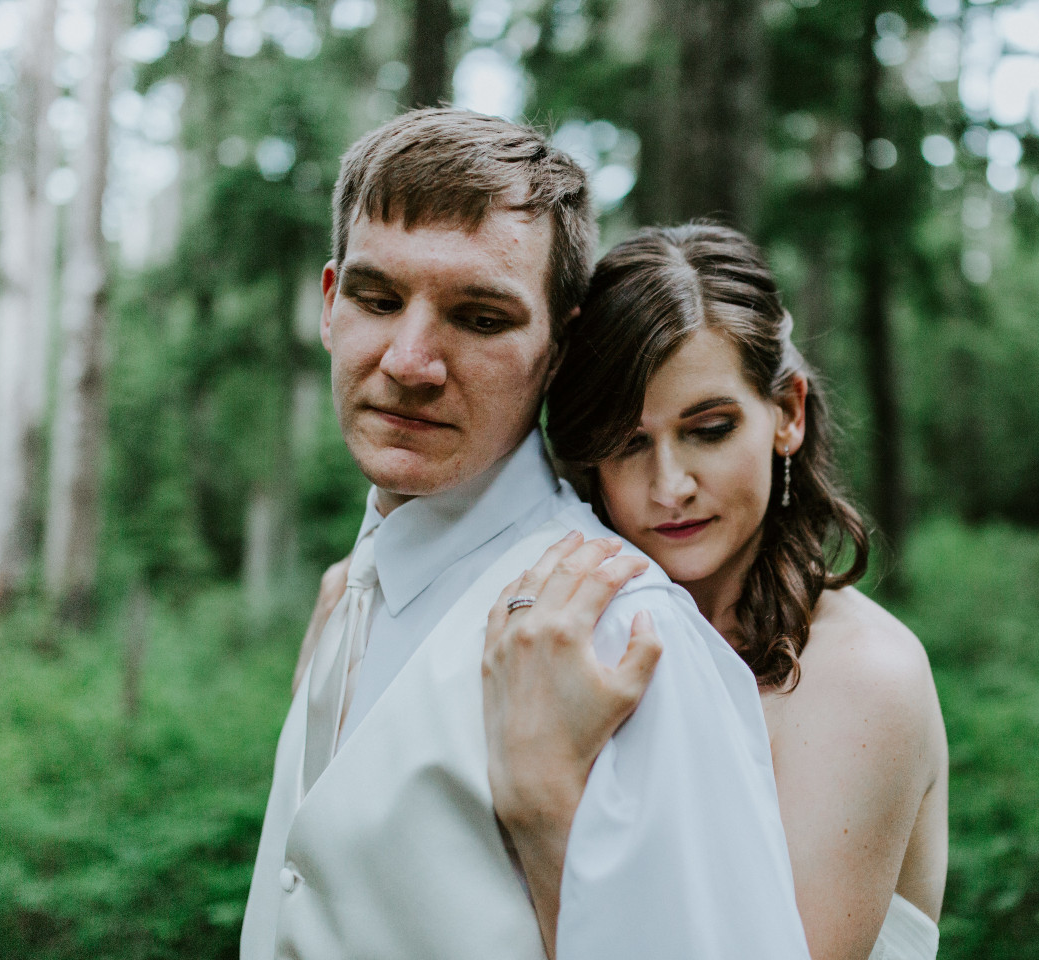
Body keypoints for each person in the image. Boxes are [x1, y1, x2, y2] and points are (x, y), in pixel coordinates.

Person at [243, 109, 813, 960]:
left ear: (560, 347)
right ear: (330, 306)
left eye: (479, 318)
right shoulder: (351, 592)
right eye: (377, 298)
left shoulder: (625, 631)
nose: (409, 361)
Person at [303, 224, 950, 959]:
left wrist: (546, 809)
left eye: (708, 429)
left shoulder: (864, 679)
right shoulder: (563, 622)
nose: (670, 486)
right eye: (627, 443)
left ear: (788, 414)